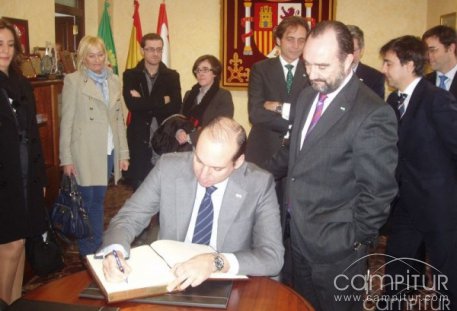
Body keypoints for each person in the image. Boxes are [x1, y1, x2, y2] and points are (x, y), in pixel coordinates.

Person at [269, 21, 398, 310]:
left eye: (322, 66)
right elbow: (295, 153)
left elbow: (378, 193)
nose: (312, 74)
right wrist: (252, 171)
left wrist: (354, 242)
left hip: (337, 250)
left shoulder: (372, 113)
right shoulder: (306, 96)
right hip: (295, 235)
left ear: (349, 59)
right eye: (307, 64)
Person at [99, 117, 284, 291]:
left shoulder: (258, 184)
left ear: (238, 162)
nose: (203, 175)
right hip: (171, 277)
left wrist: (216, 262)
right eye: (199, 160)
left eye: (217, 168)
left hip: (226, 285)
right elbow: (128, 217)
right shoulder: (169, 167)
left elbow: (272, 256)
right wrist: (115, 252)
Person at [380, 35, 457, 310]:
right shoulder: (392, 100)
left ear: (409, 64)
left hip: (440, 205)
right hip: (405, 204)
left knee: (447, 277)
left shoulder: (437, 99)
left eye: (389, 63)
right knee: (396, 267)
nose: (384, 69)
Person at [59, 35, 130, 257]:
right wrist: (66, 158)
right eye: (91, 55)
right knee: (85, 201)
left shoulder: (115, 80)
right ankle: (88, 250)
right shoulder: (73, 81)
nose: (97, 60)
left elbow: (119, 120)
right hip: (83, 151)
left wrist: (123, 153)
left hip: (107, 150)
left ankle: (95, 245)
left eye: (100, 54)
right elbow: (66, 122)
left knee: (98, 200)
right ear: (83, 57)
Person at [0, 19, 47, 305]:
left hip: (25, 174)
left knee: (21, 243)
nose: (4, 50)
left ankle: (14, 302)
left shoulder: (20, 83)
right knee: (11, 244)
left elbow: (33, 134)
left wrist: (39, 179)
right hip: (4, 178)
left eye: (9, 44)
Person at [245, 15, 309, 169]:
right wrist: (294, 123)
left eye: (301, 40)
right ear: (278, 40)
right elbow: (255, 113)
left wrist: (278, 106)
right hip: (263, 149)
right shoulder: (260, 69)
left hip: (298, 151)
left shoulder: (312, 70)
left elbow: (309, 112)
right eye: (290, 39)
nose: (296, 45)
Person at [123, 33, 182, 190]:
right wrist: (162, 100)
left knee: (165, 189)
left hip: (164, 139)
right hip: (139, 139)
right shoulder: (130, 75)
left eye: (159, 49)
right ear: (142, 50)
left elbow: (176, 105)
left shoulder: (172, 76)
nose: (155, 53)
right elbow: (132, 105)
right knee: (140, 190)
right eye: (150, 49)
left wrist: (143, 102)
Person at [175, 54, 233, 145]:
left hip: (211, 145)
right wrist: (179, 132)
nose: (200, 74)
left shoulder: (223, 95)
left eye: (205, 70)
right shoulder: (189, 94)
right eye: (198, 70)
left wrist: (190, 137)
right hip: (185, 146)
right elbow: (180, 118)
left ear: (214, 73)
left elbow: (222, 125)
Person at [346, 24, 385, 98]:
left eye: (353, 50)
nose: (349, 55)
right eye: (345, 49)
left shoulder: (375, 78)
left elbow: (377, 108)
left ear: (361, 50)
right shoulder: (330, 74)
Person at [422, 25, 457, 98]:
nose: (427, 56)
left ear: (451, 48)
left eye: (432, 50)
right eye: (426, 51)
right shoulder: (423, 83)